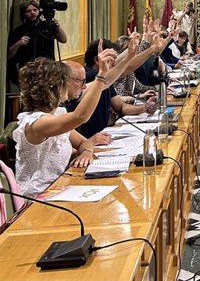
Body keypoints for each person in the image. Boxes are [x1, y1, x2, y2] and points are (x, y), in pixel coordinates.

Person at [12, 39, 133, 197]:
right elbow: (80, 117)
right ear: (54, 87)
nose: (79, 87)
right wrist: (102, 74)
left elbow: (84, 142)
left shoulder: (57, 114)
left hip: (61, 188)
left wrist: (86, 153)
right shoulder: (37, 123)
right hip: (38, 199)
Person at [6, 0, 68, 86]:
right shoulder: (19, 30)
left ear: (39, 11)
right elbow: (9, 55)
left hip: (48, 70)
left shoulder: (47, 26)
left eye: (35, 10)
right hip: (29, 72)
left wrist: (57, 26)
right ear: (24, 13)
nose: (32, 13)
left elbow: (63, 39)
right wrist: (18, 43)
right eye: (28, 11)